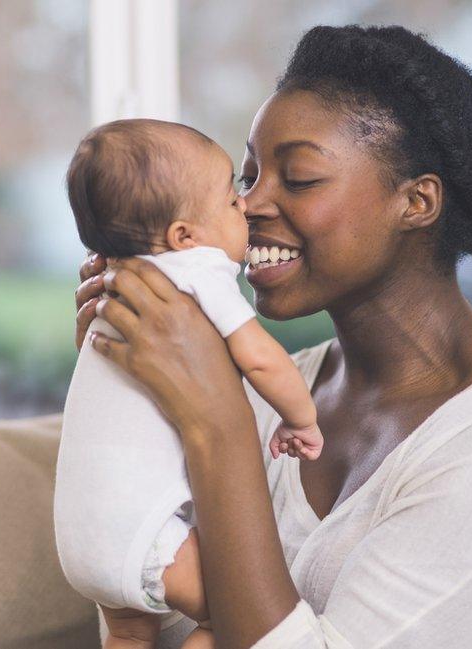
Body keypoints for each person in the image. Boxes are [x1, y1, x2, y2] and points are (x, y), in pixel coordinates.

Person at [73, 24, 472, 648]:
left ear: (416, 202)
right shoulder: (278, 385)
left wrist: (215, 424)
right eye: (244, 179)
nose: (250, 204)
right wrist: (129, 400)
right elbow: (154, 613)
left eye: (297, 178)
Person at [54, 118, 324, 649]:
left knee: (130, 634)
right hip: (150, 536)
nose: (246, 206)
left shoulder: (124, 286)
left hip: (77, 540)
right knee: (230, 617)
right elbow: (263, 359)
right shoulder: (195, 273)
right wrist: (301, 418)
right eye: (231, 197)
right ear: (184, 236)